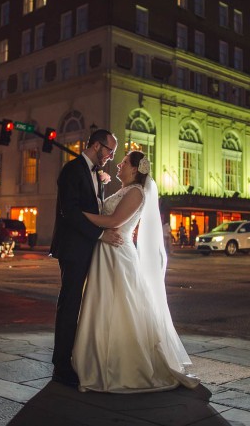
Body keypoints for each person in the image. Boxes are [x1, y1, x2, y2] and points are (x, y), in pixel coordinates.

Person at [72, 151, 200, 393]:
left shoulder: (136, 193)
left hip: (119, 256)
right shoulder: (123, 191)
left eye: (123, 162)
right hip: (106, 253)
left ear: (134, 169)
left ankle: (124, 366)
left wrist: (77, 215)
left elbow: (113, 222)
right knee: (102, 305)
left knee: (121, 307)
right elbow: (106, 214)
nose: (118, 165)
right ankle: (98, 362)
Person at [49, 128, 122, 387]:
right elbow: (69, 211)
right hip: (72, 248)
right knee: (70, 305)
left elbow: (91, 208)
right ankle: (61, 365)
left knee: (83, 305)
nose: (111, 157)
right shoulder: (72, 170)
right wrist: (100, 235)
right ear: (96, 145)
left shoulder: (94, 173)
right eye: (109, 151)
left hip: (87, 247)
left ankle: (79, 357)